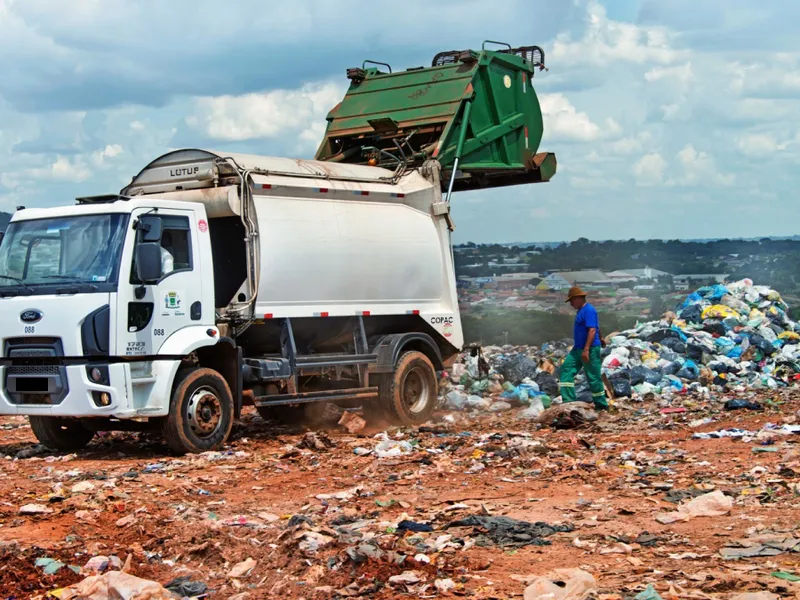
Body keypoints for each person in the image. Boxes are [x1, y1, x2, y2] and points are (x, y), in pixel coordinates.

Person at [558, 286, 608, 410]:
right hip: (577, 349)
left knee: (593, 377)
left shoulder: (589, 310)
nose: (570, 304)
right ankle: (569, 402)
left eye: (571, 300)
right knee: (566, 369)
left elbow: (592, 330)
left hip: (589, 349)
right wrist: (601, 338)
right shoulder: (581, 311)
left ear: (578, 298)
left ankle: (601, 406)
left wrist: (586, 350)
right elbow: (596, 327)